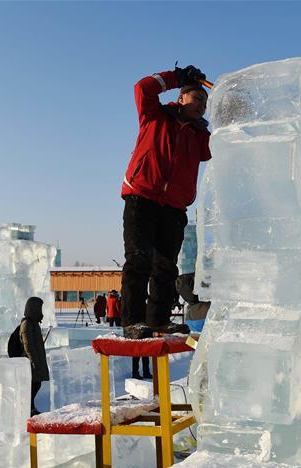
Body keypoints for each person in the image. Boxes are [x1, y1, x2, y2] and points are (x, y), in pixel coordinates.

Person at [120, 65, 211, 339]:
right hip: (142, 197)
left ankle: (158, 320)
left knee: (166, 267)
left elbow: (216, 149)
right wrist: (176, 78)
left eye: (206, 103)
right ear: (181, 98)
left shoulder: (200, 137)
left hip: (174, 207)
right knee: (139, 260)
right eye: (198, 98)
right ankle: (132, 321)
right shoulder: (155, 115)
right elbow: (142, 88)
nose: (202, 105)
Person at [11, 296, 49, 416]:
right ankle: (28, 409)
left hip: (35, 359)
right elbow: (28, 345)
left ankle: (31, 407)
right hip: (29, 361)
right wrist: (33, 360)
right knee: (33, 385)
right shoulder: (27, 324)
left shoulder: (34, 323)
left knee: (36, 384)